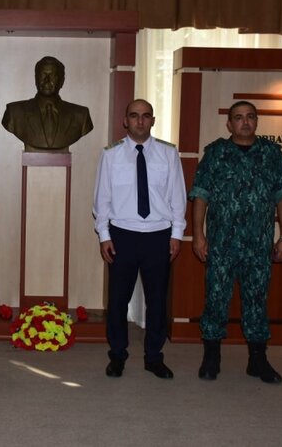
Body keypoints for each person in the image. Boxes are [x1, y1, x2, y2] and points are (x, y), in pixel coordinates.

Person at [189, 100, 282, 384]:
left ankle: (258, 360)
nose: (245, 122)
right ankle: (212, 357)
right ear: (229, 124)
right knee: (215, 299)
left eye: (250, 117)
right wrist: (198, 235)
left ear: (256, 121)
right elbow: (201, 195)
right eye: (238, 117)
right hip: (221, 243)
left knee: (257, 300)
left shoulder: (271, 153)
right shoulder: (215, 153)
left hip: (258, 244)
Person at [93, 99, 187, 379]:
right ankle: (117, 355)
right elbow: (102, 199)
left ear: (153, 121)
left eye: (146, 116)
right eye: (134, 116)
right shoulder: (111, 154)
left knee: (157, 301)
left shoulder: (168, 153)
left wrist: (177, 234)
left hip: (158, 236)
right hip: (122, 235)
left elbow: (177, 197)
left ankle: (154, 357)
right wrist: (104, 235)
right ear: (125, 121)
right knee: (118, 301)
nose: (140, 121)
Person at [2, 55, 94, 152]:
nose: (47, 80)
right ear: (35, 79)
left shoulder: (81, 116)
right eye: (42, 75)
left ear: (62, 81)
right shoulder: (14, 113)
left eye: (52, 75)